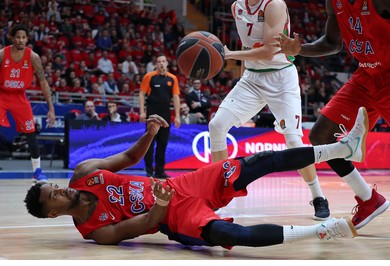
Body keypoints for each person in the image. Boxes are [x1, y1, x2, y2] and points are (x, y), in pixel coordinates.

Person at [24, 107, 369, 248]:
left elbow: (129, 158)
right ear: (53, 212)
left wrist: (149, 133)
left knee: (258, 162)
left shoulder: (84, 174)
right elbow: (146, 224)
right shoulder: (96, 232)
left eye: (53, 186)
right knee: (230, 234)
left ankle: (343, 149)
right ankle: (323, 230)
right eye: (52, 195)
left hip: (182, 185)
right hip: (173, 216)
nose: (58, 190)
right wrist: (160, 205)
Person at [273, 0, 390, 230]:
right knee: (320, 136)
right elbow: (332, 43)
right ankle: (369, 199)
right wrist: (300, 49)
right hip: (366, 77)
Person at [208, 0, 329, 220]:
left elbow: (269, 52)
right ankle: (218, 192)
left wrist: (229, 55)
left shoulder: (274, 5)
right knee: (216, 126)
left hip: (281, 78)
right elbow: (248, 48)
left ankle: (318, 196)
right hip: (252, 79)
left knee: (293, 141)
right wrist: (243, 77)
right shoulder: (237, 7)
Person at [0, 24, 55, 183]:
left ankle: (37, 171)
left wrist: (51, 108)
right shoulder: (3, 54)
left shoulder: (33, 57)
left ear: (27, 39)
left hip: (19, 97)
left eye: (24, 37)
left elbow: (43, 82)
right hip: (2, 95)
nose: (21, 40)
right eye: (18, 37)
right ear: (12, 38)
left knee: (30, 132)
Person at [138, 54, 181, 179]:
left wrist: (177, 115)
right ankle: (149, 170)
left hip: (166, 115)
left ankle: (160, 171)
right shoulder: (149, 77)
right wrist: (142, 111)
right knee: (149, 143)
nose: (161, 63)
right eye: (159, 61)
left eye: (163, 61)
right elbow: (142, 94)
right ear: (156, 64)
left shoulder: (173, 78)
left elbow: (176, 97)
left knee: (162, 144)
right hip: (152, 114)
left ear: (167, 63)